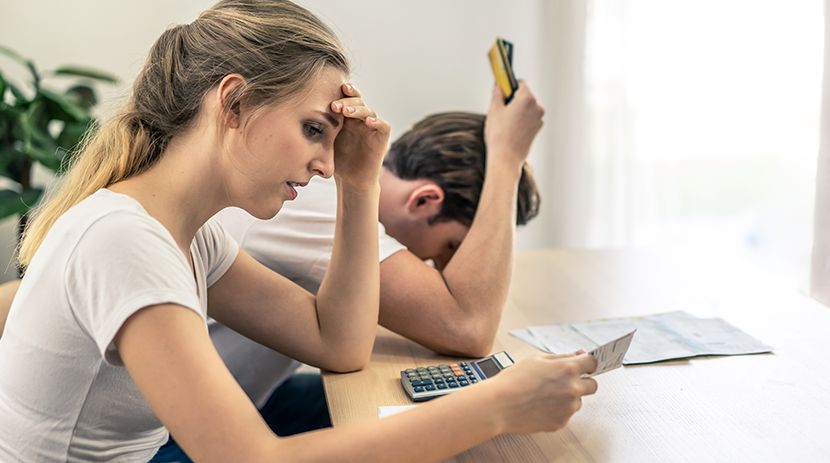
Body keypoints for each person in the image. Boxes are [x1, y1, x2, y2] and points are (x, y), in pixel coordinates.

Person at [0, 1, 599, 462]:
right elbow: (251, 459)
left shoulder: (191, 236)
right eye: (314, 129)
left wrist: (360, 183)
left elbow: (337, 343)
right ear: (232, 104)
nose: (325, 165)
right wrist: (497, 407)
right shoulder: (123, 239)